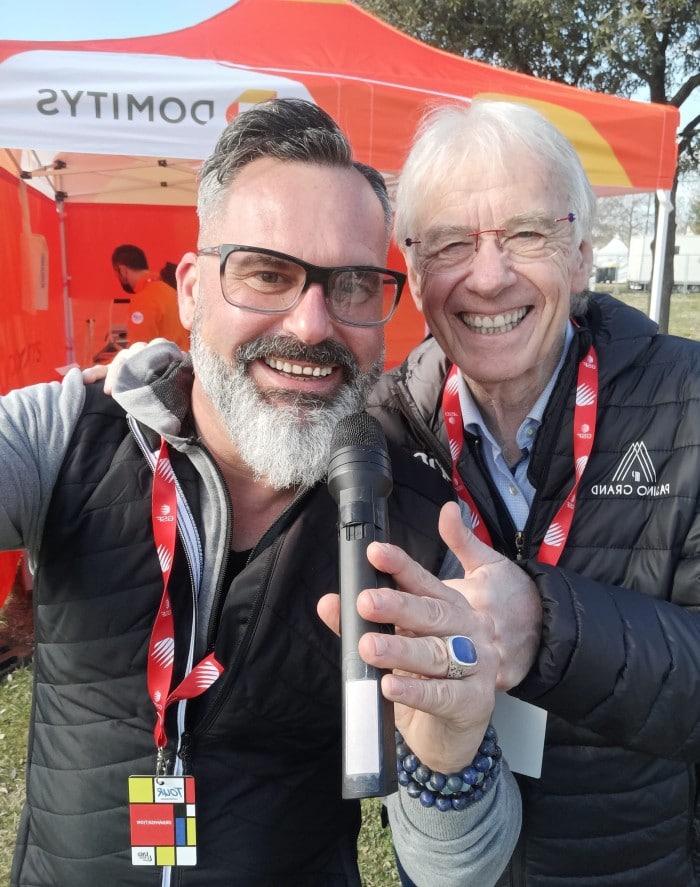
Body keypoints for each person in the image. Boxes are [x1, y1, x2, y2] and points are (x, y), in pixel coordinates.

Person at [1, 99, 520, 886]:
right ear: (191, 287)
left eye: (350, 285)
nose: (312, 324)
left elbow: (459, 870)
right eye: (268, 273)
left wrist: (451, 757)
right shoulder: (69, 432)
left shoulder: (416, 520)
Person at [367, 99, 700, 886]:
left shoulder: (689, 401)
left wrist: (544, 623)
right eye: (451, 242)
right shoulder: (377, 433)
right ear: (415, 272)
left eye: (526, 233)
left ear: (581, 254)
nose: (489, 275)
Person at [112, 243, 190, 350]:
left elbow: (139, 352)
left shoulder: (142, 300)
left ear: (123, 270)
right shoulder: (171, 290)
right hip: (183, 361)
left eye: (117, 274)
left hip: (163, 364)